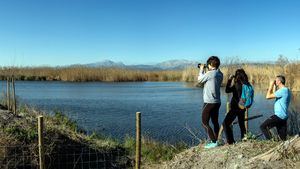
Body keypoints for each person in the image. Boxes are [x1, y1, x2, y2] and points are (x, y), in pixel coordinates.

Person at [198, 56, 223, 148]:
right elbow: (209, 79)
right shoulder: (220, 73)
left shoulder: (210, 73)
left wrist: (201, 70)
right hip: (217, 102)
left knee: (204, 123)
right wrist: (206, 71)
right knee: (215, 122)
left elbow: (200, 80)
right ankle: (217, 140)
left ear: (210, 65)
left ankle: (213, 142)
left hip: (209, 102)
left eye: (208, 64)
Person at [223, 69, 251, 144]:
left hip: (235, 108)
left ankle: (231, 141)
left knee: (225, 123)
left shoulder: (237, 85)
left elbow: (227, 90)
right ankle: (244, 140)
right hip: (242, 108)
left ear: (237, 76)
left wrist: (229, 80)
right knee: (242, 124)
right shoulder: (247, 84)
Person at [260, 75, 291, 141]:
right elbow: (274, 94)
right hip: (283, 117)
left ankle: (271, 141)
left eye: (276, 80)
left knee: (263, 127)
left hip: (279, 116)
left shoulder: (283, 91)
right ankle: (282, 147)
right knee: (283, 139)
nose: (275, 82)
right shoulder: (286, 90)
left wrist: (270, 85)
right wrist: (274, 86)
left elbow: (268, 96)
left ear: (279, 81)